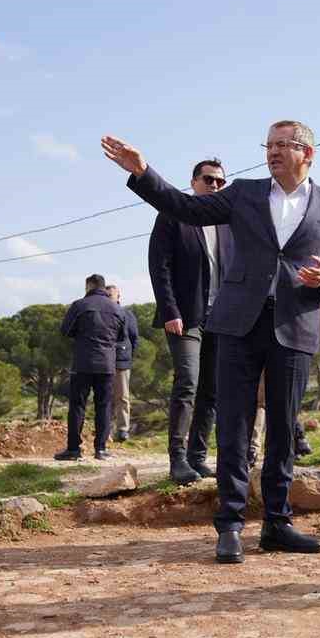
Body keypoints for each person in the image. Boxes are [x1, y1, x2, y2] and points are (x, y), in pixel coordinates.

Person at [102, 122, 320, 564]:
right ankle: (231, 524)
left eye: (283, 145)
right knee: (234, 426)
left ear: (308, 153)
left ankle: (278, 523)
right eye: (269, 145)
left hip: (295, 326)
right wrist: (143, 171)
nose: (273, 152)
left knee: (282, 428)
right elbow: (184, 207)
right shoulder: (243, 193)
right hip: (237, 323)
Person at [147, 158, 230, 484]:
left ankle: (198, 457)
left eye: (220, 182)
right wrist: (170, 311)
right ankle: (177, 459)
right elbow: (159, 265)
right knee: (188, 383)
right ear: (194, 181)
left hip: (221, 318)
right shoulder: (173, 215)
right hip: (186, 317)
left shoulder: (226, 222)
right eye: (208, 180)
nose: (214, 186)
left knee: (212, 390)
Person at [55, 273, 125, 461]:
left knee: (77, 406)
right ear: (103, 287)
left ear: (89, 286)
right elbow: (121, 336)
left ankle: (73, 449)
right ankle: (100, 449)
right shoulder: (117, 309)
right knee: (104, 406)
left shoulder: (79, 305)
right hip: (107, 364)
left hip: (83, 363)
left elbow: (65, 331)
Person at [107, 285, 141, 442]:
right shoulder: (102, 314)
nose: (108, 297)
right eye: (106, 294)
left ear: (118, 296)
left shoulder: (127, 314)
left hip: (121, 360)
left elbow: (134, 338)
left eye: (111, 294)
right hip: (104, 360)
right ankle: (105, 430)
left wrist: (127, 356)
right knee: (104, 398)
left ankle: (122, 430)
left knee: (122, 397)